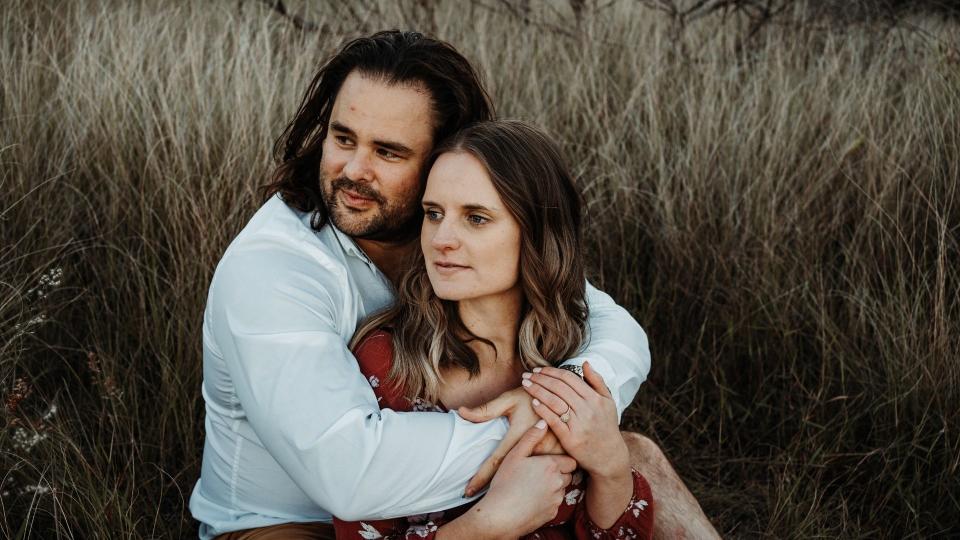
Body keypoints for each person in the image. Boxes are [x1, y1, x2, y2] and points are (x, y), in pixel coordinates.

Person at [189, 30, 717, 540]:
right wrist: (543, 434)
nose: (353, 170)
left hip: (440, 492)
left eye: (389, 152)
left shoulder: (450, 230)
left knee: (633, 455)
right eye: (343, 138)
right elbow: (349, 476)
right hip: (289, 523)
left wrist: (561, 401)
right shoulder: (272, 268)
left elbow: (613, 327)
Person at [333, 120, 655, 540]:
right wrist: (490, 522)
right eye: (433, 214)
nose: (442, 239)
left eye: (477, 218)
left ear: (537, 232)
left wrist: (612, 470)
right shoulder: (385, 365)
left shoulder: (574, 350)